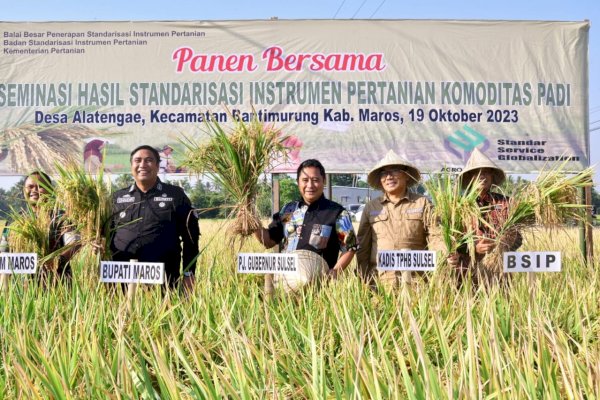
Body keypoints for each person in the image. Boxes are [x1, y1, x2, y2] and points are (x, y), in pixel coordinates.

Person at [110, 145, 200, 289]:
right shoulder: (117, 197)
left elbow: (191, 238)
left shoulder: (175, 195)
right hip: (121, 278)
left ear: (158, 166)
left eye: (149, 160)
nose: (142, 165)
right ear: (131, 166)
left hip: (164, 278)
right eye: (137, 161)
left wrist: (189, 274)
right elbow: (104, 235)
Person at [254, 159, 357, 281]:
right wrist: (252, 223)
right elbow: (269, 241)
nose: (310, 185)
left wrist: (335, 271)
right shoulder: (289, 211)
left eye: (315, 180)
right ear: (298, 182)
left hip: (318, 281)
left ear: (323, 181)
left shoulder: (336, 213)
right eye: (305, 180)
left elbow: (350, 248)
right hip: (285, 281)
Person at [356, 150, 442, 289]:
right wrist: (363, 280)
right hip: (381, 282)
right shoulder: (371, 207)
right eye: (384, 173)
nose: (389, 177)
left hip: (417, 283)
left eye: (395, 171)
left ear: (406, 175)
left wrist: (443, 258)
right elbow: (363, 247)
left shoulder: (422, 203)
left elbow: (436, 237)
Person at [448, 148, 522, 285]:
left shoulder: (506, 203)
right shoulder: (456, 207)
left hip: (498, 273)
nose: (482, 176)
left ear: (492, 176)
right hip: (465, 273)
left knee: (501, 305)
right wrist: (473, 248)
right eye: (477, 172)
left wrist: (498, 244)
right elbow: (450, 241)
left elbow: (518, 238)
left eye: (486, 172)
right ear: (470, 177)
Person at [19, 171, 79, 280]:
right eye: (30, 187)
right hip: (25, 286)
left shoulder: (61, 218)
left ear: (50, 190)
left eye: (40, 186)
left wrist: (58, 259)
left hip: (58, 282)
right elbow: (5, 252)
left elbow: (74, 243)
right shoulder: (18, 220)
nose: (34, 190)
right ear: (24, 190)